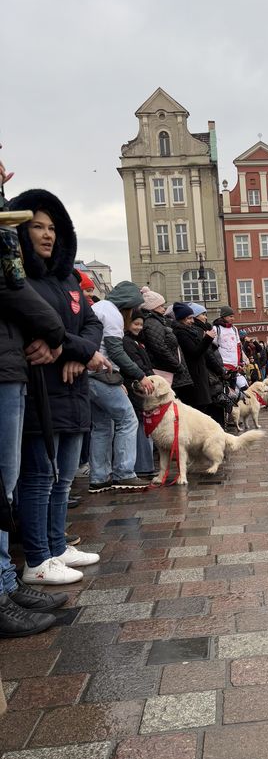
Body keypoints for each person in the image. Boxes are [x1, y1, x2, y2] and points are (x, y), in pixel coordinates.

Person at [9, 189, 105, 584]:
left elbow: (92, 326)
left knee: (63, 478)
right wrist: (75, 347)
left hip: (72, 388)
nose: (47, 235)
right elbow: (39, 329)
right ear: (19, 229)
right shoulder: (20, 278)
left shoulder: (67, 280)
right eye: (37, 227)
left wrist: (71, 350)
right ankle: (37, 558)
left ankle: (56, 544)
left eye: (52, 228)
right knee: (38, 478)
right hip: (40, 391)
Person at [0, 173, 70, 632]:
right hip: (9, 365)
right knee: (12, 482)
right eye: (38, 226)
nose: (47, 234)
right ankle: (10, 580)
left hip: (13, 366)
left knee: (9, 484)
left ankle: (5, 580)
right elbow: (13, 287)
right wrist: (57, 334)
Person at [89, 281, 153, 492]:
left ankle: (99, 478)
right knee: (128, 420)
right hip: (101, 374)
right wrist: (139, 375)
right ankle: (124, 473)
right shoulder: (114, 314)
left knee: (101, 427)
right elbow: (115, 351)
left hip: (89, 376)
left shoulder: (98, 308)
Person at [122, 309, 156, 477]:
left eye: (141, 325)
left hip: (142, 384)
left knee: (143, 423)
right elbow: (137, 364)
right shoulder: (128, 342)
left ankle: (145, 464)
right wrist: (148, 376)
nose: (139, 327)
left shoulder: (136, 342)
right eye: (136, 324)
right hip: (136, 386)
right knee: (141, 423)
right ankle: (143, 465)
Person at [171, 302, 216, 411]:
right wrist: (207, 339)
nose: (192, 321)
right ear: (181, 319)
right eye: (189, 318)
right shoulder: (181, 333)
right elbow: (195, 352)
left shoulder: (189, 331)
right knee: (197, 406)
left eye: (192, 318)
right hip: (194, 374)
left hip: (198, 372)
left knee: (202, 405)